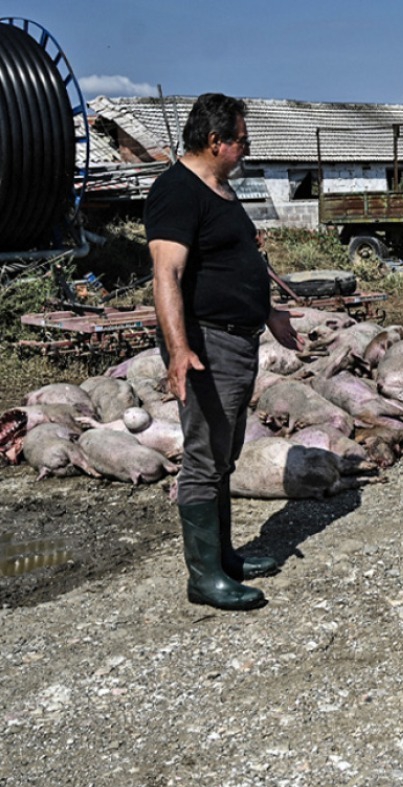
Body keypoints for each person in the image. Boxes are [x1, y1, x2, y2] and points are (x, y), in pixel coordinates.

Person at [146, 93, 303, 611]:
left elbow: (237, 263)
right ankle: (205, 576)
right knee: (203, 458)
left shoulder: (220, 187)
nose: (247, 149)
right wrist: (178, 350)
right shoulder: (177, 192)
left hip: (239, 338)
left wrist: (269, 312)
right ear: (216, 141)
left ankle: (225, 556)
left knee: (224, 454)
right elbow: (166, 274)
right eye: (242, 140)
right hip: (207, 343)